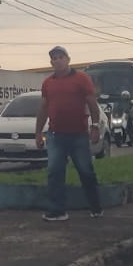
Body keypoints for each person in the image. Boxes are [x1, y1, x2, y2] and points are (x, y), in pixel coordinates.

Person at [34, 45, 104, 222]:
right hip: (56, 134)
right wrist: (37, 133)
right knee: (54, 171)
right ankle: (57, 210)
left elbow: (92, 104)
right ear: (51, 62)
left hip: (78, 134)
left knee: (86, 171)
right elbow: (43, 108)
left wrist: (94, 126)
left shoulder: (81, 79)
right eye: (54, 58)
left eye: (60, 57)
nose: (57, 60)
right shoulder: (48, 83)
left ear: (68, 59)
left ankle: (95, 206)